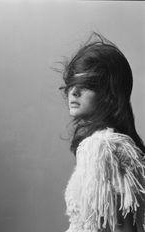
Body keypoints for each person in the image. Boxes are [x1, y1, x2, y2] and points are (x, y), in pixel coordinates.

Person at [60, 33, 145, 232]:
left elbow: (123, 227)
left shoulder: (102, 147)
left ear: (110, 93)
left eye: (88, 85)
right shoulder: (112, 144)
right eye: (72, 83)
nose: (74, 92)